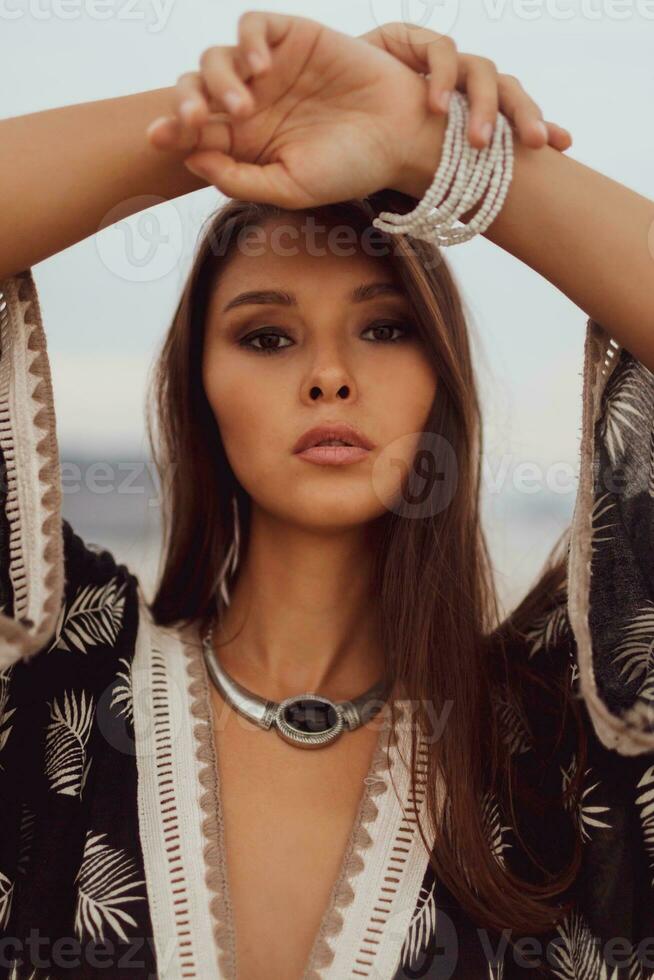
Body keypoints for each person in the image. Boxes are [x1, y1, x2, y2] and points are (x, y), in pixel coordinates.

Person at [1, 10, 653, 980]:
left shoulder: (558, 732)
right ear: (200, 391)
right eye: (267, 336)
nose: (329, 377)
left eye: (385, 329)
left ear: (444, 381)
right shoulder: (62, 677)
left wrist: (441, 150)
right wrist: (229, 123)